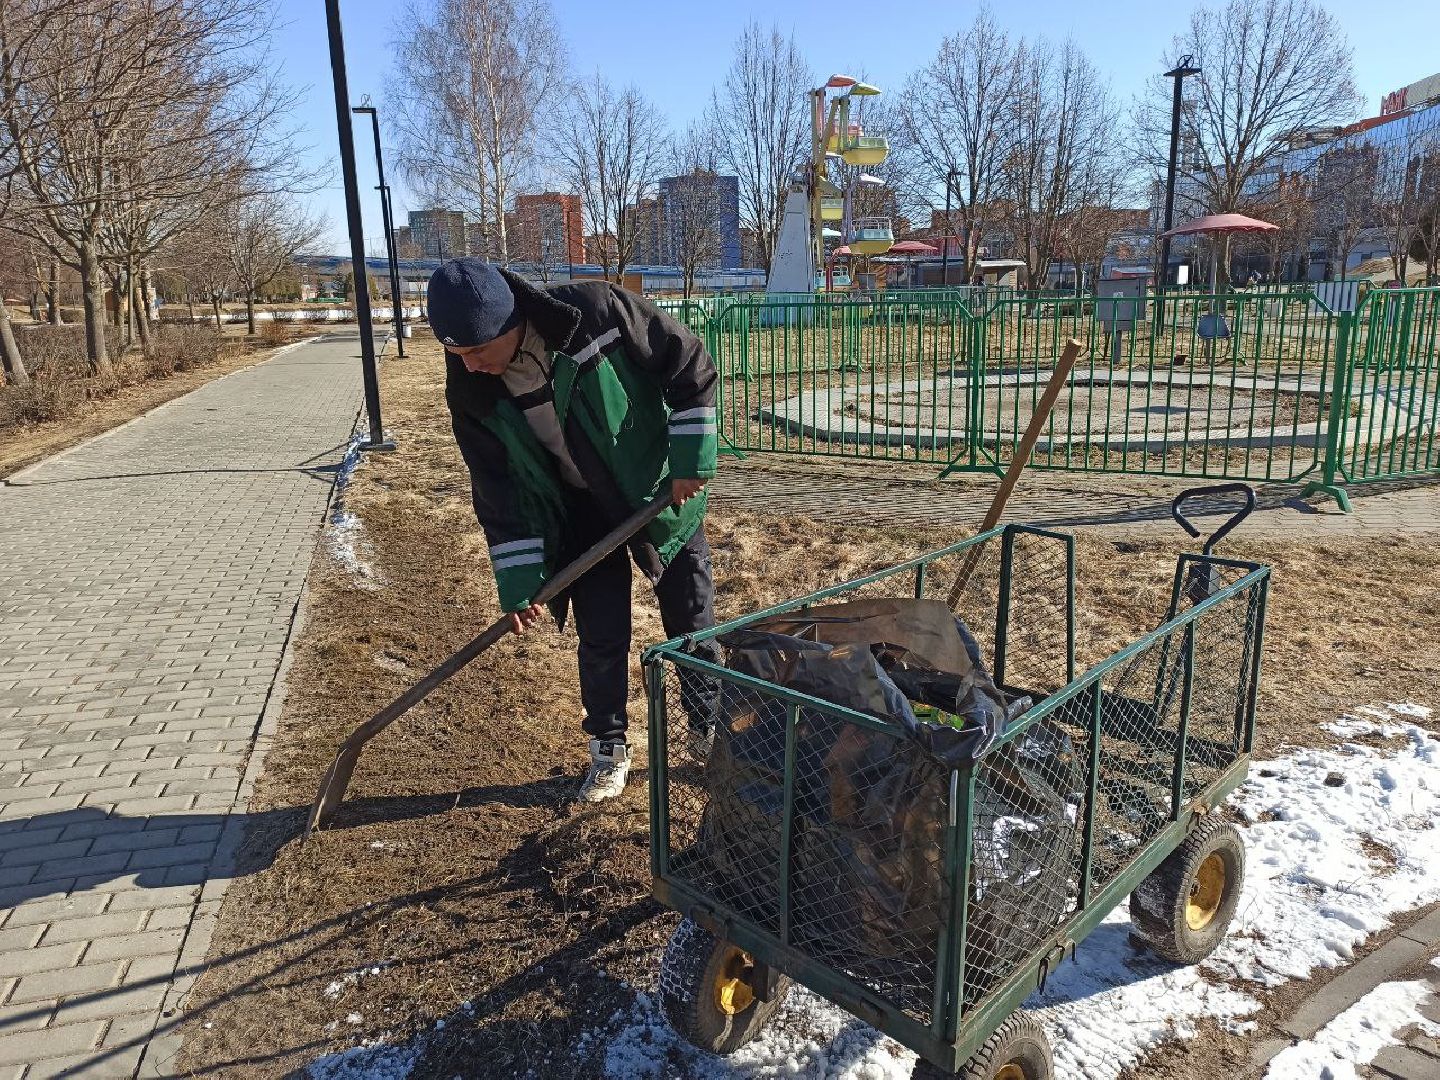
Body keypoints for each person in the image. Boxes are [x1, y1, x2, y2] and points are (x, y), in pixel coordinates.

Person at [428, 259, 721, 802]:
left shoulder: (596, 311)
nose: (467, 366)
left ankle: (709, 729)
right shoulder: (471, 389)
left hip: (653, 487)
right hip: (575, 509)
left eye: (475, 352)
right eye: (456, 354)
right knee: (601, 631)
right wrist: (519, 583)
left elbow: (689, 366)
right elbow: (498, 488)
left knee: (690, 612)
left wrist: (691, 457)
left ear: (508, 322)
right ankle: (609, 748)